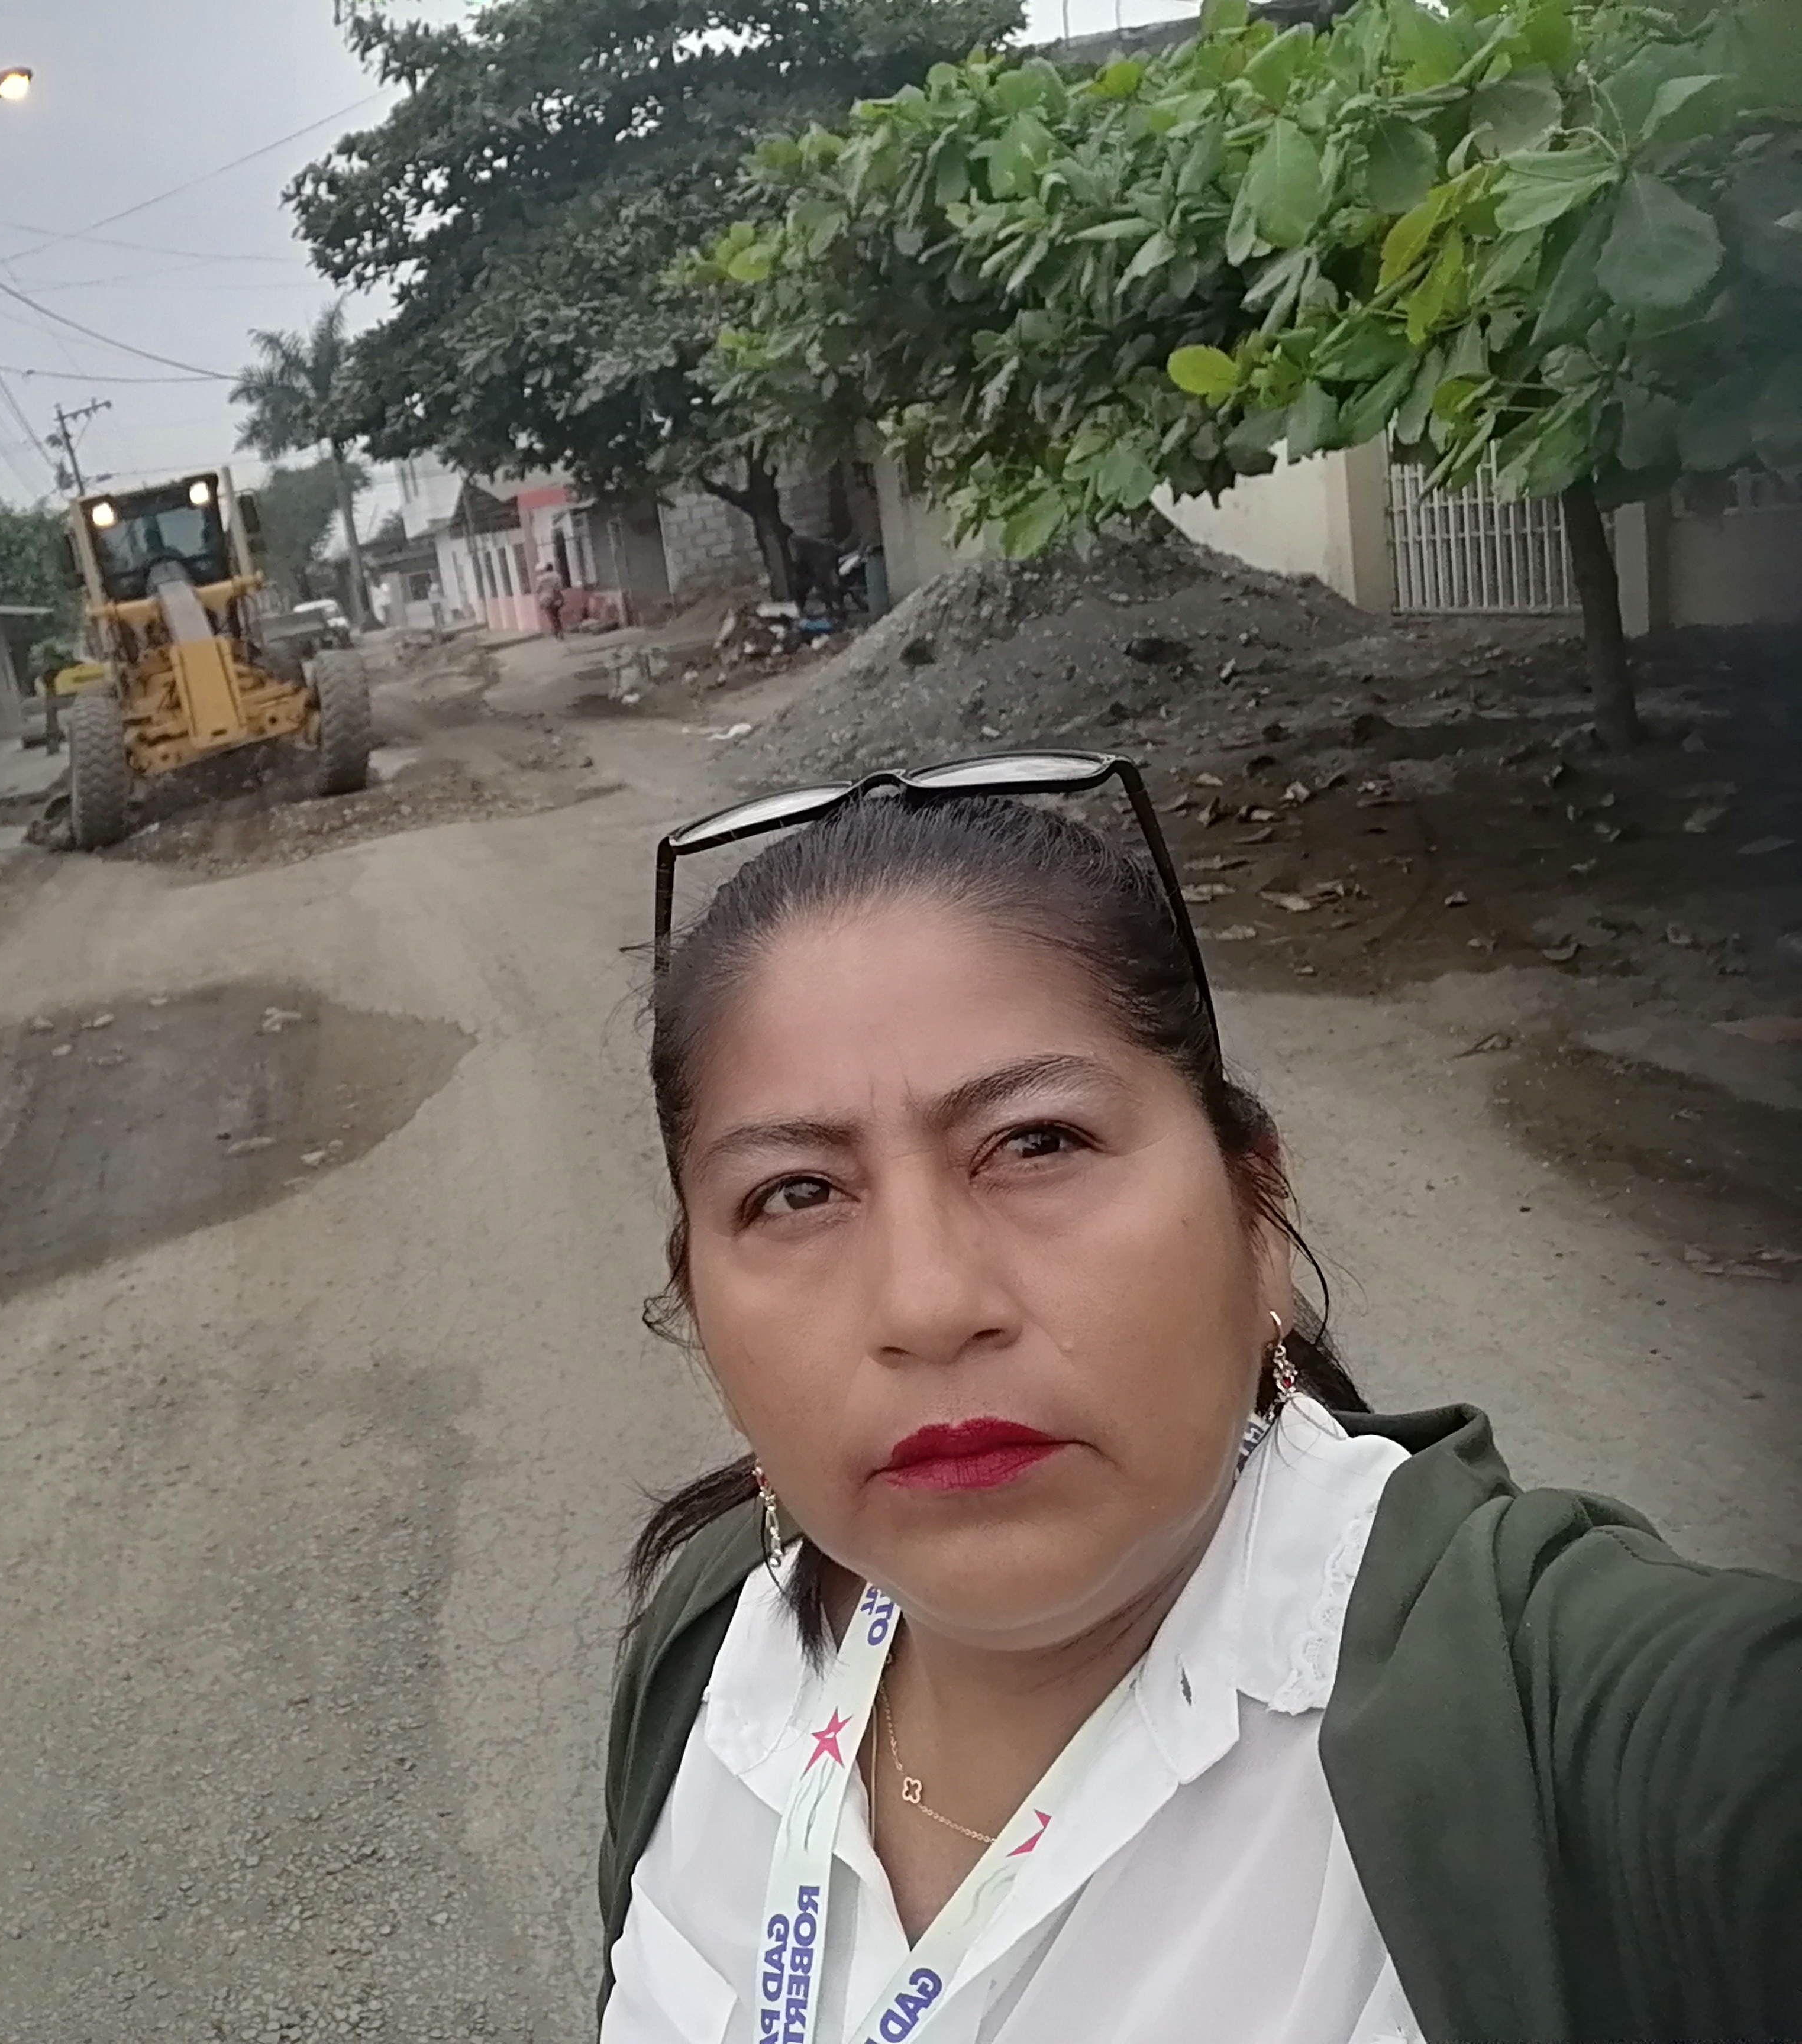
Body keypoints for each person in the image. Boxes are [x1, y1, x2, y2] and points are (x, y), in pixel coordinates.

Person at [599, 754, 1802, 2044]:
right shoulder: (712, 1649)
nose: (930, 1302)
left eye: (1037, 1142)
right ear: (698, 1306)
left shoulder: (1549, 1716)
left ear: (1255, 1214)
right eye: (795, 1193)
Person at [537, 558, 567, 640]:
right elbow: (560, 587)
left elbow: (538, 590)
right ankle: (560, 631)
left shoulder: (541, 578)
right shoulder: (557, 576)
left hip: (546, 599)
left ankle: (556, 632)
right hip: (556, 598)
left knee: (551, 617)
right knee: (556, 615)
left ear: (545, 569)